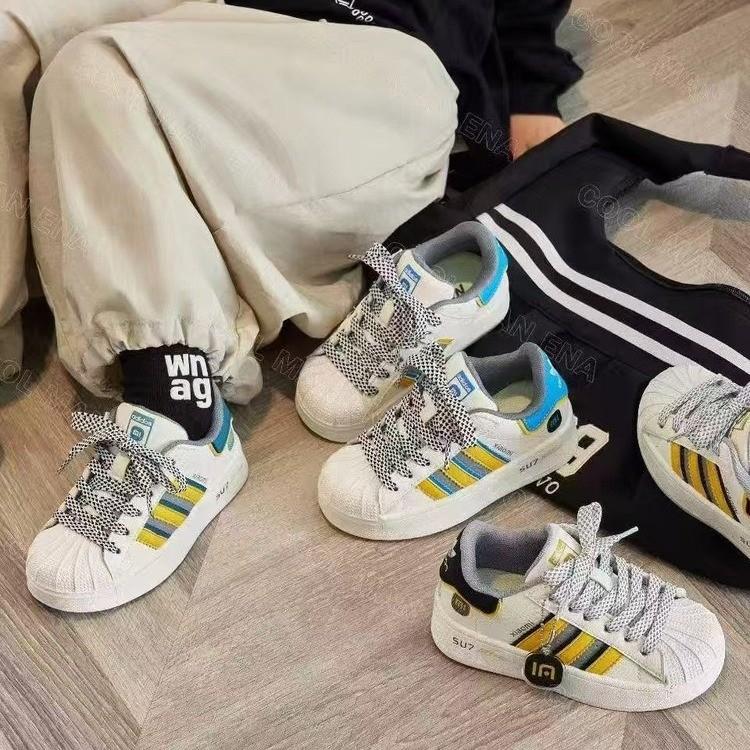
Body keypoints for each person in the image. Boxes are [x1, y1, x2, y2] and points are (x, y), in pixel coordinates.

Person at [17, 1, 581, 610]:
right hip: (214, 17)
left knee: (93, 73)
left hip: (373, 49)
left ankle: (177, 406)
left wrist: (531, 82)